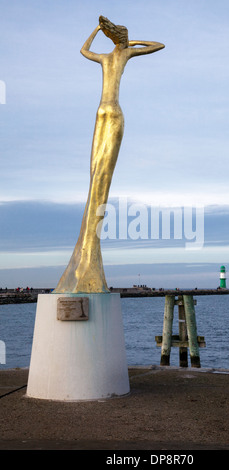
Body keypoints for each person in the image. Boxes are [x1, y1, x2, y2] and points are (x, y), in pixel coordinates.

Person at [54, 16, 164, 293]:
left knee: (98, 178)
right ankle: (84, 264)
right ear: (123, 40)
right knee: (96, 178)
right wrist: (128, 40)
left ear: (113, 39)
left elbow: (83, 50)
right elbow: (157, 45)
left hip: (105, 113)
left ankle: (86, 263)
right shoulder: (124, 53)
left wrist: (101, 32)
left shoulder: (110, 56)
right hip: (110, 113)